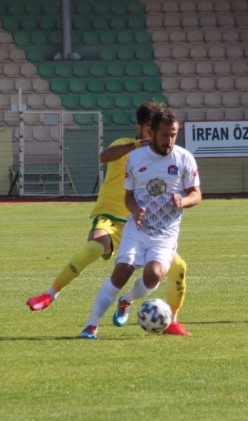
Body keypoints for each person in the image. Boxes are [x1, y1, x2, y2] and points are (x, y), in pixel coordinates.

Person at [26, 101, 192, 336]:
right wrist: (135, 145)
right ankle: (50, 293)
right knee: (95, 247)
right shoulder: (125, 146)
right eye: (147, 129)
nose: (151, 135)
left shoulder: (166, 156)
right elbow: (105, 156)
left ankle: (172, 320)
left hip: (146, 226)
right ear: (141, 129)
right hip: (111, 219)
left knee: (178, 267)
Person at [79, 107, 201, 339]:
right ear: (152, 133)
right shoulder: (135, 158)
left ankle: (127, 300)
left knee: (154, 274)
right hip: (137, 228)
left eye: (174, 134)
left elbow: (197, 194)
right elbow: (128, 196)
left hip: (166, 233)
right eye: (165, 134)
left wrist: (183, 201)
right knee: (121, 271)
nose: (170, 140)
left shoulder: (184, 158)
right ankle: (91, 325)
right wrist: (136, 210)